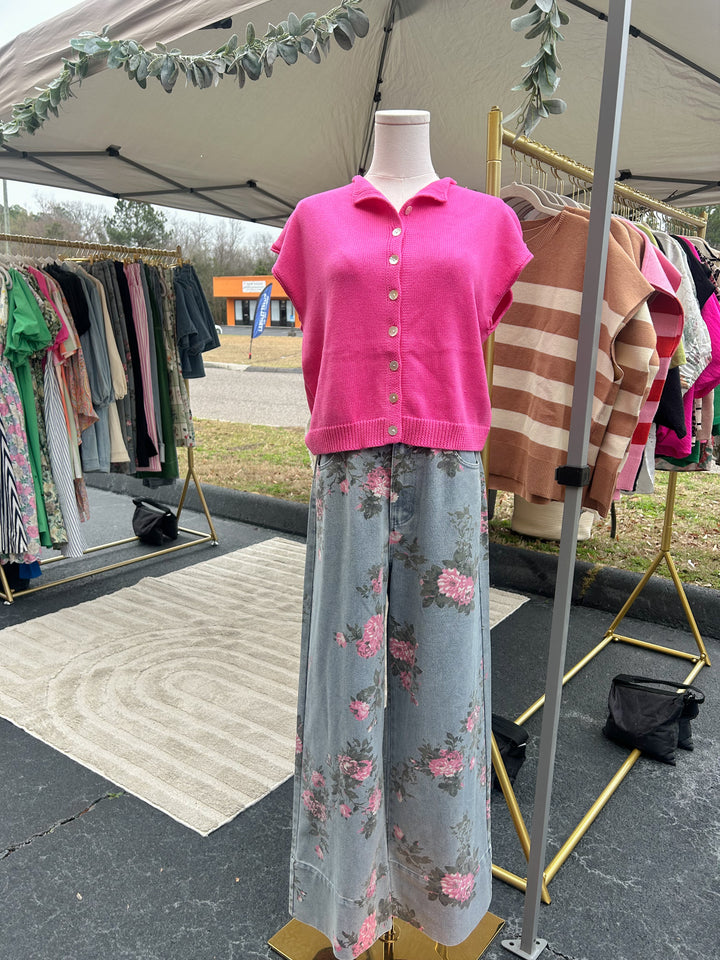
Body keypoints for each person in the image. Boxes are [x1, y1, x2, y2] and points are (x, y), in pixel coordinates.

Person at [271, 109, 531, 959]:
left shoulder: (491, 223)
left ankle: (437, 901)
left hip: (448, 475)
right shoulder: (313, 221)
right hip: (346, 477)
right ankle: (349, 899)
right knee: (345, 689)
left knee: (445, 700)